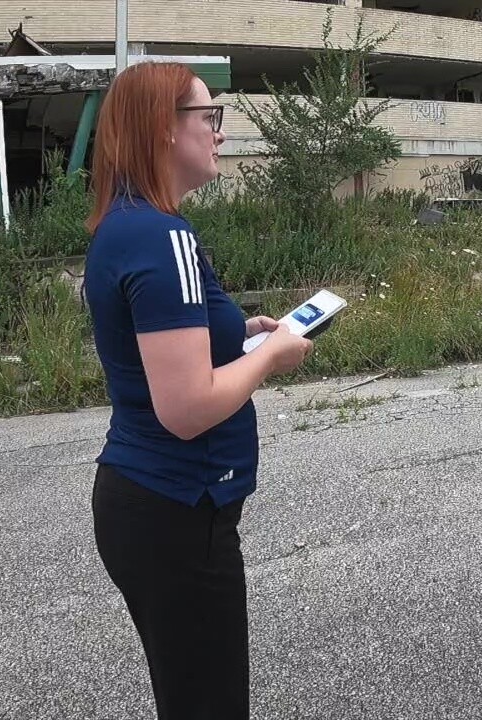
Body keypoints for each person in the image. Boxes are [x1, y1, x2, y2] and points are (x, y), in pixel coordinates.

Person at [82, 62, 312, 720]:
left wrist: (238, 333)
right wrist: (269, 356)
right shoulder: (165, 235)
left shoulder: (124, 225)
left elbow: (156, 344)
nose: (219, 133)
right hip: (178, 510)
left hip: (145, 506)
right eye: (207, 117)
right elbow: (184, 409)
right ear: (163, 129)